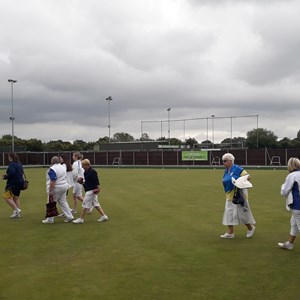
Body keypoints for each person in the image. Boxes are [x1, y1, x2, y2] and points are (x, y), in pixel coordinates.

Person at [220, 153, 256, 239]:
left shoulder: (237, 168)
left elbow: (248, 177)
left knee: (242, 214)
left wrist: (238, 181)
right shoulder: (226, 170)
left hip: (239, 195)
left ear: (230, 161)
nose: (223, 163)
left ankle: (250, 228)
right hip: (229, 195)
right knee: (229, 213)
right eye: (223, 161)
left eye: (225, 161)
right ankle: (230, 233)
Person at [73, 159, 108, 224]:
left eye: (83, 166)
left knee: (84, 205)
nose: (82, 167)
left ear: (87, 165)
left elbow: (96, 181)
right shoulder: (85, 172)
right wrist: (81, 181)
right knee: (96, 204)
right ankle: (104, 216)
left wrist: (98, 188)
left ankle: (81, 219)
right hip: (89, 190)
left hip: (92, 190)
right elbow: (87, 181)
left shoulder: (92, 171)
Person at [42, 156, 74, 224]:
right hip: (64, 186)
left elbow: (53, 180)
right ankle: (69, 216)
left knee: (50, 202)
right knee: (63, 202)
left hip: (57, 187)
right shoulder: (63, 166)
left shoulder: (52, 168)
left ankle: (50, 219)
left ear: (52, 161)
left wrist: (51, 190)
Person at [278, 157, 300, 250]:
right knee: (294, 223)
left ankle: (289, 244)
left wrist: (282, 186)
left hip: (297, 205)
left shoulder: (292, 176)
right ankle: (290, 243)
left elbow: (284, 191)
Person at [2, 153, 25, 218]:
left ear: (11, 157)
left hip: (13, 183)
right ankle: (17, 214)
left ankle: (17, 210)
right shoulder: (19, 163)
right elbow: (21, 172)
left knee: (6, 197)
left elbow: (12, 172)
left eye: (8, 156)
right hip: (20, 182)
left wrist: (6, 177)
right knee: (16, 197)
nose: (8, 158)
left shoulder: (12, 164)